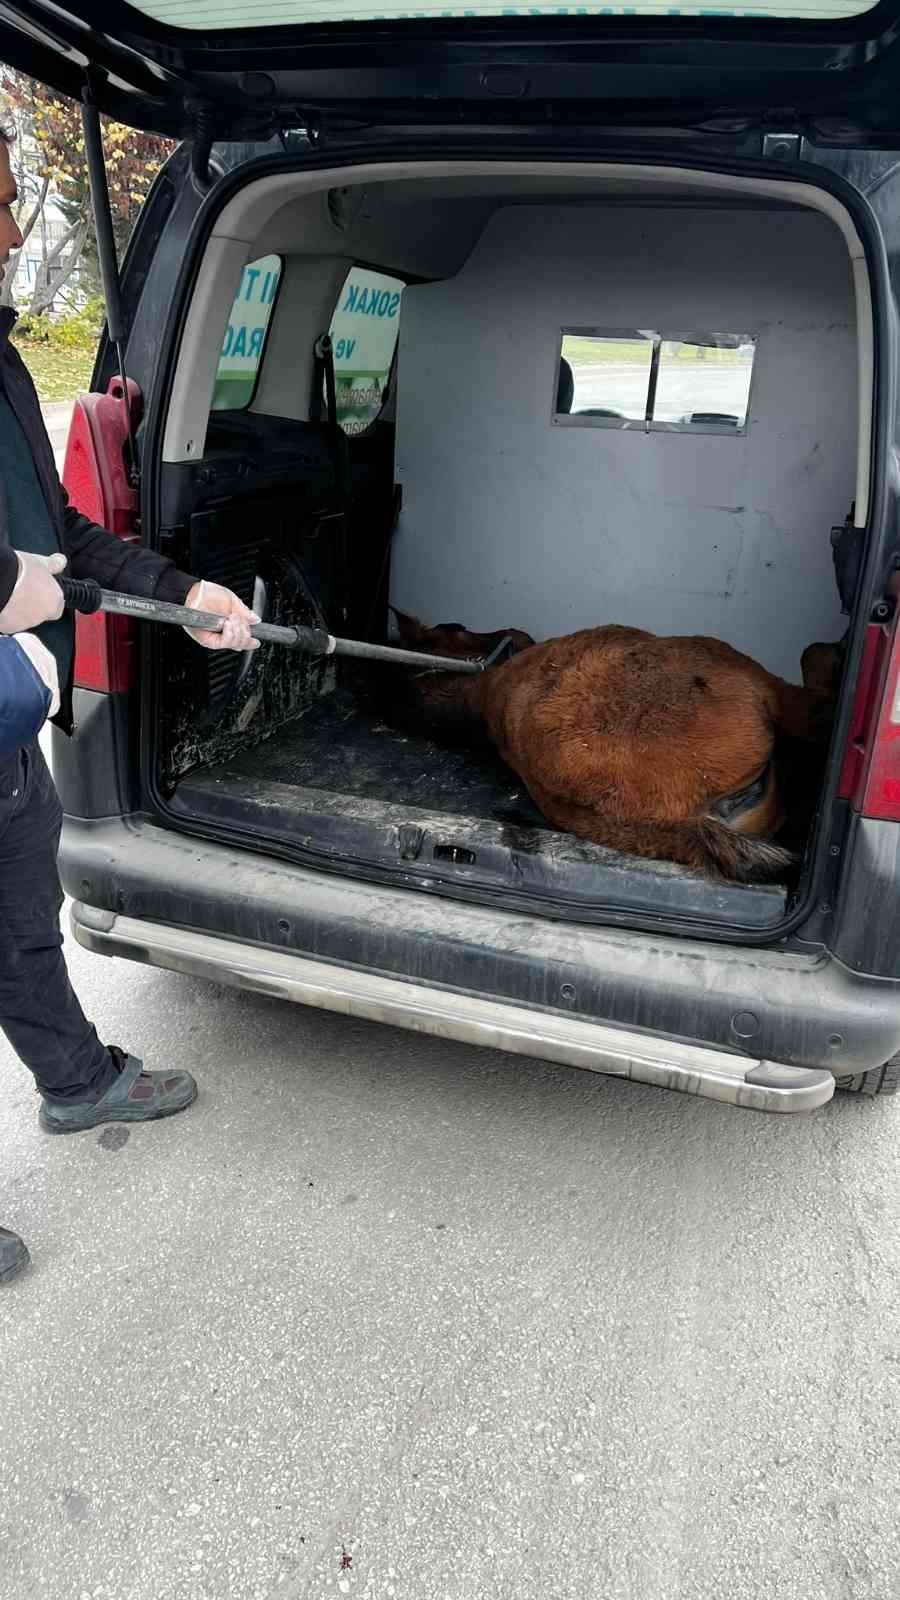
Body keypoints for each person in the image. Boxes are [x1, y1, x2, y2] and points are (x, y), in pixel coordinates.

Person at [0, 127, 258, 1284]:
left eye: (12, 201)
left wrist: (181, 591)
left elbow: (58, 539)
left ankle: (76, 1083)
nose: (12, 233)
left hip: (4, 722)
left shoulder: (1, 363)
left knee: (20, 913)